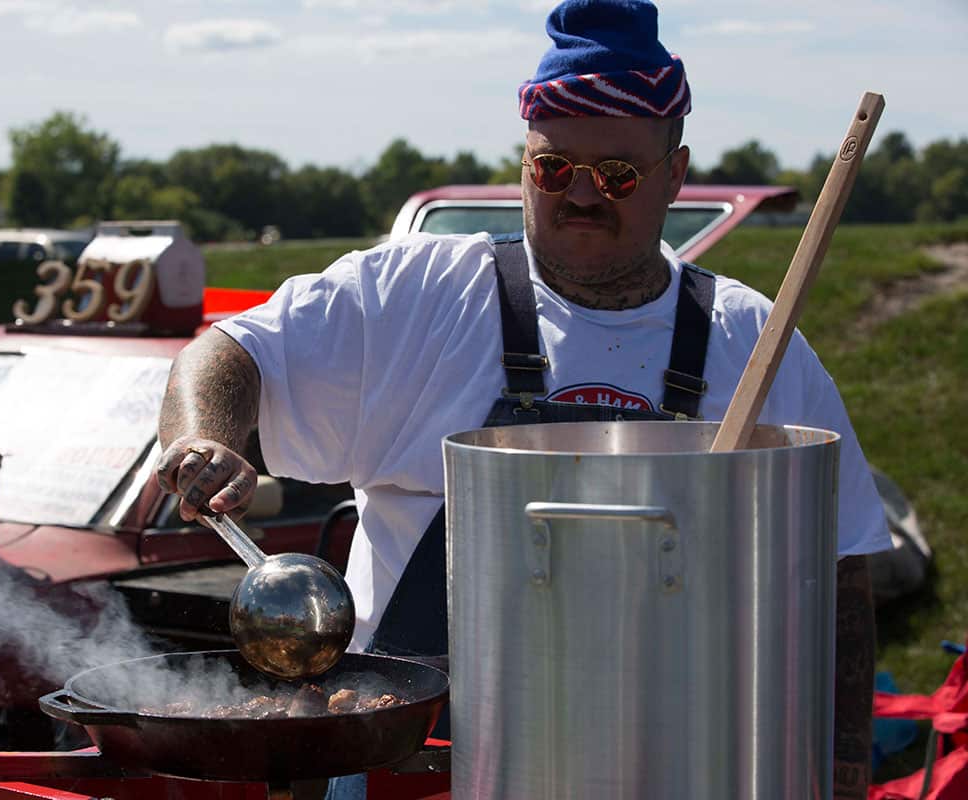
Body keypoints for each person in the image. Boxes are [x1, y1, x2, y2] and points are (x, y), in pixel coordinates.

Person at [156, 1, 890, 797]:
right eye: (552, 168)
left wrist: (843, 776)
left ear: (675, 177)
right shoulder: (417, 295)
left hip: (682, 766)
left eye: (617, 175)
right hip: (420, 769)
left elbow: (842, 579)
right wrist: (204, 439)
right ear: (524, 163)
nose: (580, 195)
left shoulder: (754, 342)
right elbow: (228, 352)